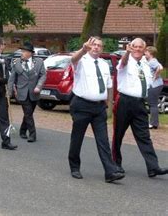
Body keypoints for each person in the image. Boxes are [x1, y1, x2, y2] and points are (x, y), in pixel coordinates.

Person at [66, 36, 124, 182]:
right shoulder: (81, 61)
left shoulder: (104, 64)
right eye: (93, 45)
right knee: (77, 138)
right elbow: (72, 59)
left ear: (102, 48)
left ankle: (110, 172)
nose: (96, 47)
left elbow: (109, 86)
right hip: (82, 105)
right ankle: (74, 166)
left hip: (99, 107)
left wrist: (109, 107)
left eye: (99, 45)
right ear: (88, 46)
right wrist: (83, 49)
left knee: (103, 140)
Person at [112, 38, 168, 178]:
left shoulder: (145, 64)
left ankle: (153, 167)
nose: (137, 49)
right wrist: (126, 54)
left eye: (140, 47)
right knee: (118, 134)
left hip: (140, 103)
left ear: (144, 49)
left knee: (144, 136)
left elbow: (152, 77)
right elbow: (122, 64)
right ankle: (115, 164)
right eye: (134, 46)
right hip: (125, 101)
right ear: (130, 48)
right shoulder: (125, 61)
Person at [8, 42, 46, 142]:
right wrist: (9, 92)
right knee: (28, 113)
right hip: (22, 92)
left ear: (30, 53)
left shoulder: (39, 62)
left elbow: (43, 75)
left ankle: (22, 130)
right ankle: (32, 134)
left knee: (28, 113)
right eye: (22, 51)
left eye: (24, 52)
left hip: (34, 92)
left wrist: (39, 86)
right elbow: (12, 78)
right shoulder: (16, 63)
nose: (22, 53)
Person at [144, 46, 164, 129]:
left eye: (146, 52)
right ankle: (154, 123)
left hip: (154, 85)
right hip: (157, 85)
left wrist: (154, 76)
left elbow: (160, 68)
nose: (145, 53)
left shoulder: (152, 61)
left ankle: (153, 123)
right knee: (153, 104)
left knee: (152, 104)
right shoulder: (152, 60)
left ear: (150, 53)